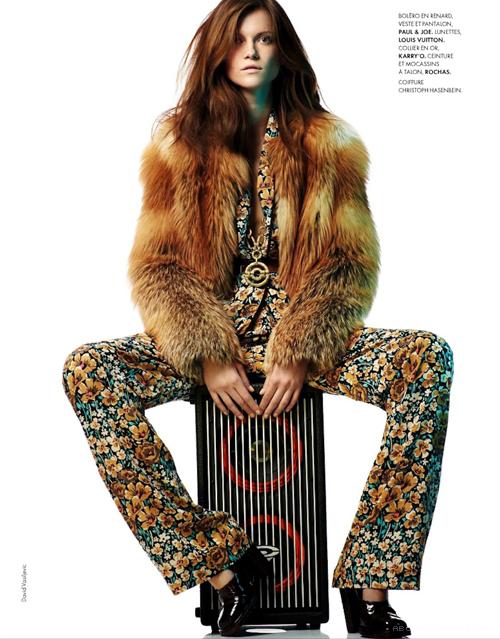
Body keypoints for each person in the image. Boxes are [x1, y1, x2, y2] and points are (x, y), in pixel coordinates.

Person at [61, 0, 454, 637]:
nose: (250, 51)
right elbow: (157, 265)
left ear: (282, 51)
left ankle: (370, 582)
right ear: (218, 51)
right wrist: (207, 354)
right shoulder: (177, 143)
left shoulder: (330, 142)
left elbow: (349, 263)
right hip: (211, 336)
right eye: (238, 40)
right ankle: (220, 567)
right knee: (88, 370)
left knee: (427, 359)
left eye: (264, 39)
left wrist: (299, 351)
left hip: (302, 335)